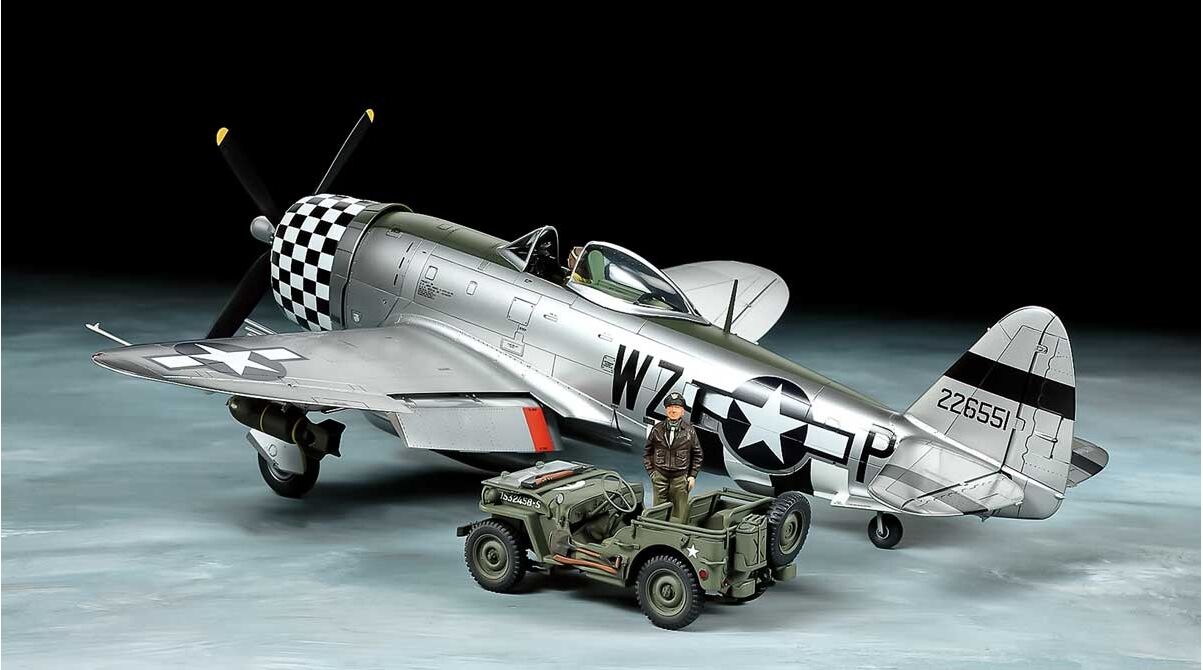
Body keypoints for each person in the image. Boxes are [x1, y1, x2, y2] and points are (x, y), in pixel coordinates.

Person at [643, 392, 703, 524]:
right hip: (660, 477)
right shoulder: (657, 429)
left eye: (677, 407)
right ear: (666, 410)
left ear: (682, 411)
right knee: (657, 512)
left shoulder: (689, 431)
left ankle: (676, 534)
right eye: (670, 407)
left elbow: (697, 455)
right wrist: (652, 473)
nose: (673, 410)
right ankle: (655, 531)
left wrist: (692, 475)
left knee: (679, 513)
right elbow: (647, 452)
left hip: (680, 479)